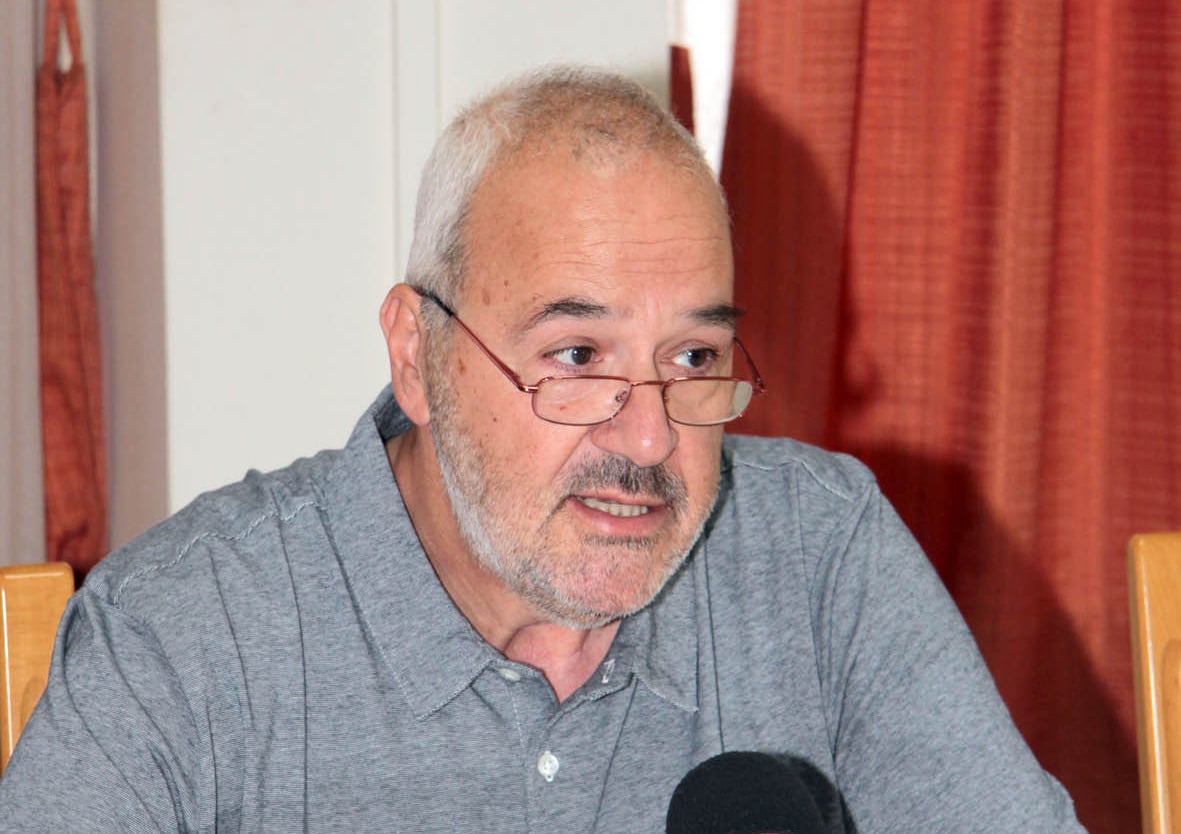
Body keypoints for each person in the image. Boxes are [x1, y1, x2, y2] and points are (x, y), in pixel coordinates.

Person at [0, 65, 1086, 833]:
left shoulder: (819, 557)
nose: (651, 434)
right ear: (418, 355)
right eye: (576, 355)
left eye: (693, 356)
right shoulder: (187, 636)